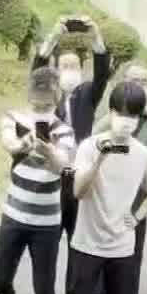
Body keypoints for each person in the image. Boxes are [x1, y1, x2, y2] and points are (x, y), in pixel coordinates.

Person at [65, 80, 147, 294]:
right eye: (121, 114)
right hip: (87, 242)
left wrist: (138, 216)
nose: (126, 121)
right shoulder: (88, 146)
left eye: (132, 115)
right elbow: (78, 192)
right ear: (110, 113)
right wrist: (99, 160)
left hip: (121, 246)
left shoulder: (141, 154)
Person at [0, 66, 76, 294]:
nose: (41, 100)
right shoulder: (14, 118)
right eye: (37, 93)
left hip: (47, 222)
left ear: (56, 95)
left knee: (44, 289)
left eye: (47, 95)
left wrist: (50, 150)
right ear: (30, 93)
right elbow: (7, 143)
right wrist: (24, 143)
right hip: (14, 214)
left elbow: (64, 166)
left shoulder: (64, 131)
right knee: (0, 279)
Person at [87, 60, 147, 294]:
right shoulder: (111, 112)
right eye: (132, 80)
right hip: (106, 194)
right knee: (100, 249)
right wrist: (116, 115)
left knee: (133, 253)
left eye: (143, 81)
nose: (137, 85)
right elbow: (93, 140)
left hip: (136, 198)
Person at [31, 13, 108, 239]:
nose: (69, 70)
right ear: (56, 69)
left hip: (78, 174)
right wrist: (54, 37)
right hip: (51, 174)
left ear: (81, 69)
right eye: (64, 66)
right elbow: (37, 71)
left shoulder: (87, 94)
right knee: (49, 241)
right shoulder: (47, 94)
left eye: (73, 66)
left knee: (78, 240)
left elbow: (102, 76)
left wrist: (96, 38)